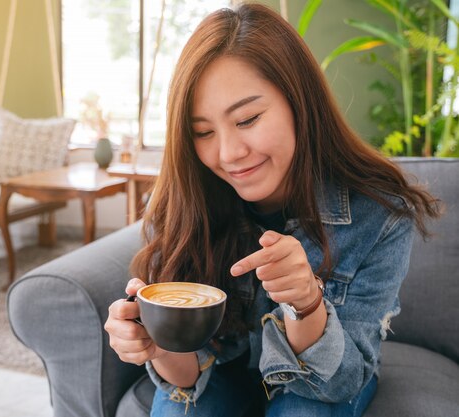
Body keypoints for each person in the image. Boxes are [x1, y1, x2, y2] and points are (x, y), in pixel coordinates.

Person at [104, 3, 441, 416]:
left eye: (247, 119)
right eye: (203, 132)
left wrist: (307, 303)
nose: (228, 154)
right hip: (223, 372)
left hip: (319, 380)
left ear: (299, 102)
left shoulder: (380, 215)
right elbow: (190, 378)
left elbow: (339, 382)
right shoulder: (187, 198)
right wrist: (159, 346)